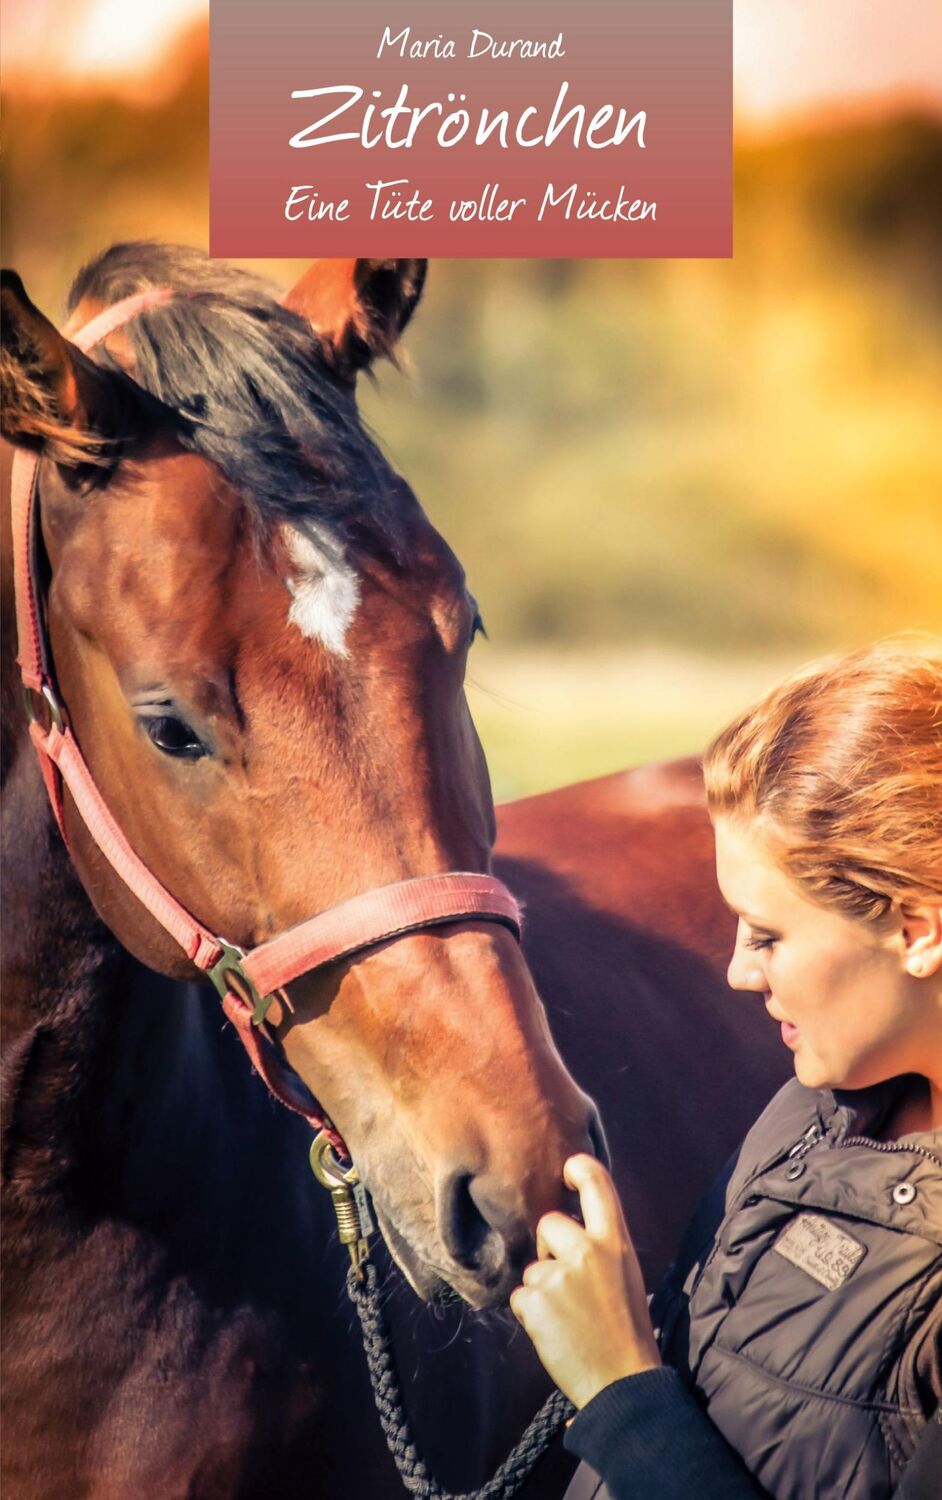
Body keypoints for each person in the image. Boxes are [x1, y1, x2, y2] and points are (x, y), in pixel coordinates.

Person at [510, 637, 942, 1500]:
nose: (741, 972)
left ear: (917, 930)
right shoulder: (806, 1113)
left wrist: (617, 1385)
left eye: (771, 935)